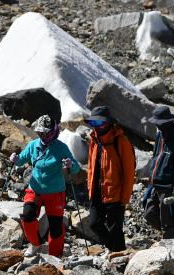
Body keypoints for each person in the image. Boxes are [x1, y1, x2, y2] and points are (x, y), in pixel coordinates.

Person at [10, 115, 81, 257]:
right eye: (40, 132)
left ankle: (54, 256)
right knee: (27, 216)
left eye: (46, 133)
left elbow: (76, 168)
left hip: (55, 192)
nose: (43, 136)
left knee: (55, 227)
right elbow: (21, 160)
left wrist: (70, 164)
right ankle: (35, 244)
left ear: (54, 131)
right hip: (35, 189)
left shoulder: (61, 148)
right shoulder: (33, 145)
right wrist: (15, 159)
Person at [84, 106, 136, 252]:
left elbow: (129, 172)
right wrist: (90, 188)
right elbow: (90, 166)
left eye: (100, 123)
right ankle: (115, 249)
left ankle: (119, 256)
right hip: (96, 191)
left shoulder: (121, 140)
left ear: (108, 123)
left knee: (115, 229)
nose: (96, 127)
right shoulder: (94, 139)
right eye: (93, 123)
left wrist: (124, 198)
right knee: (94, 224)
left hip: (115, 193)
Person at [142, 105, 174, 239]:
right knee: (149, 214)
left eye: (160, 123)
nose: (157, 126)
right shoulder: (160, 135)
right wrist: (151, 177)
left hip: (168, 187)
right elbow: (155, 157)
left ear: (168, 122)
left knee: (168, 222)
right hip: (155, 183)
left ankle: (171, 241)